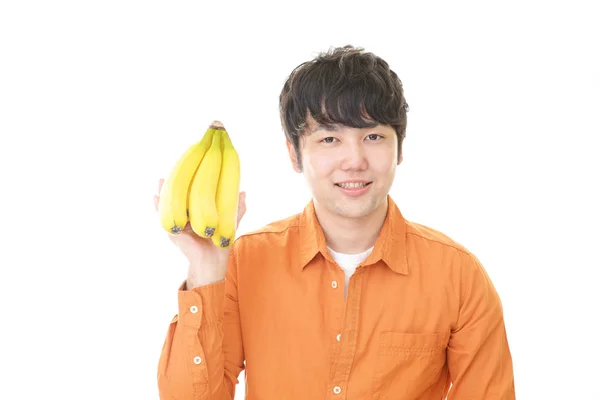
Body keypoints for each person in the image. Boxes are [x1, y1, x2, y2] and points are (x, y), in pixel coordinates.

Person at [153, 45, 516, 399]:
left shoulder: (458, 276)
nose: (354, 160)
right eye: (329, 139)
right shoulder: (242, 263)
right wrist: (205, 271)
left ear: (400, 149)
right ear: (295, 154)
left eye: (373, 136)